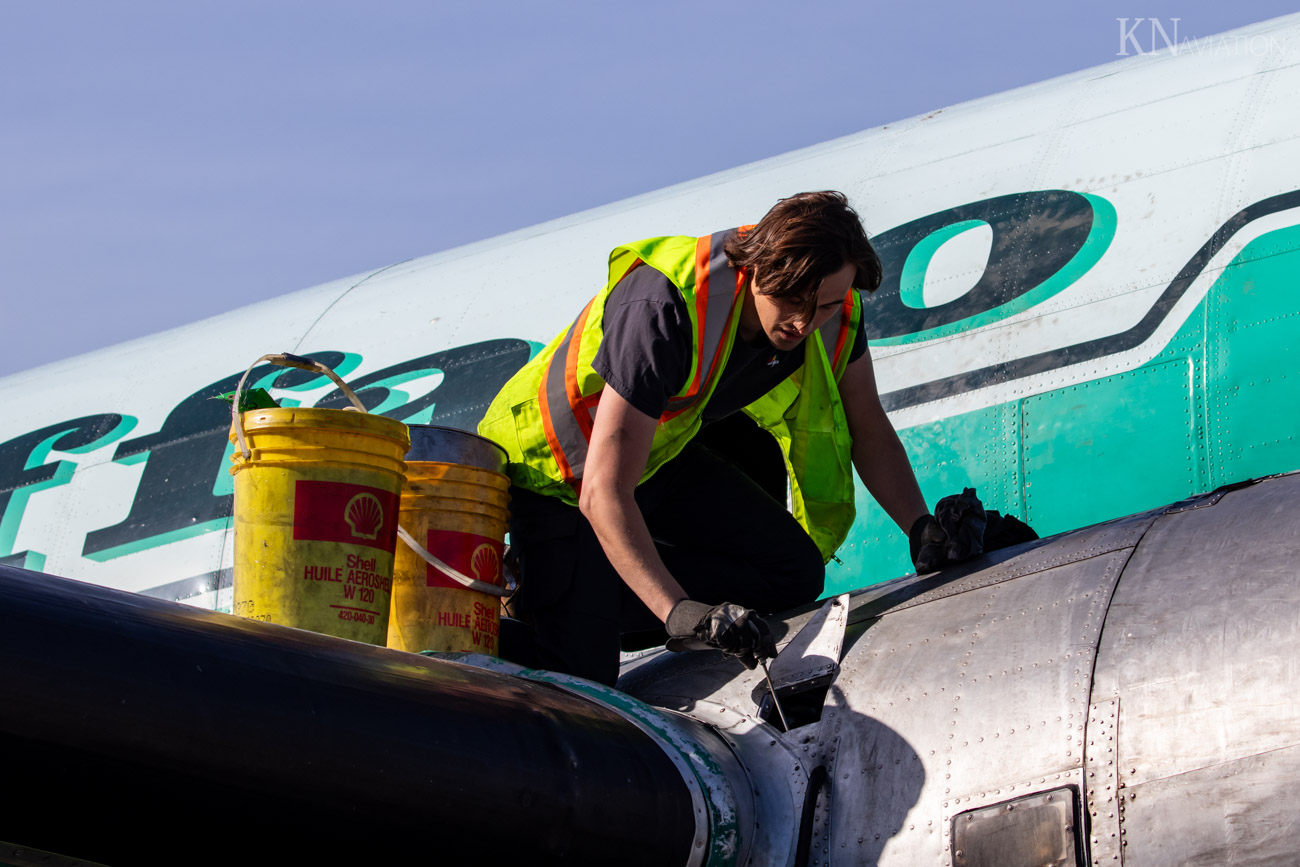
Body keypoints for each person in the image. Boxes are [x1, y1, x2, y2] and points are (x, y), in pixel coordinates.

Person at [478, 191, 934, 686]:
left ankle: (589, 591)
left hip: (657, 456)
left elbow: (869, 428)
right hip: (556, 475)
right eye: (791, 300)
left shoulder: (833, 309)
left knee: (791, 573)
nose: (804, 322)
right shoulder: (666, 303)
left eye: (822, 305)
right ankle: (537, 602)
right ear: (755, 269)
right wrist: (677, 612)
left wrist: (923, 529)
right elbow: (603, 491)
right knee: (583, 678)